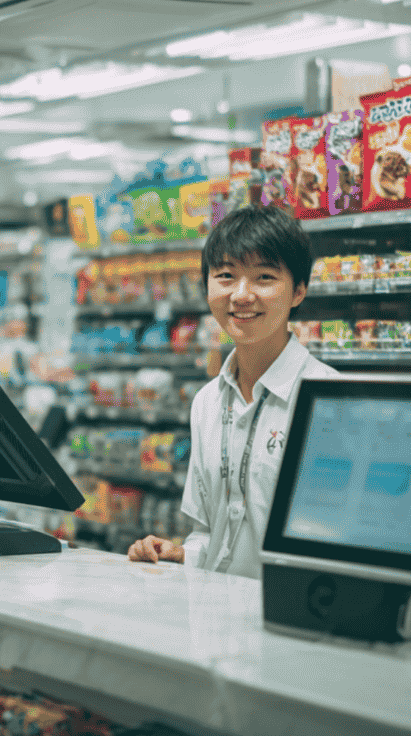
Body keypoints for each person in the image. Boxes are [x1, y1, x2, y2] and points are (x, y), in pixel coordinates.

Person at [127, 205, 336, 580]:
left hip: (291, 618)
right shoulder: (207, 402)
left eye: (264, 277)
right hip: (217, 618)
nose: (241, 295)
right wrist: (183, 555)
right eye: (226, 276)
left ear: (299, 291)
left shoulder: (331, 400)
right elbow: (207, 532)